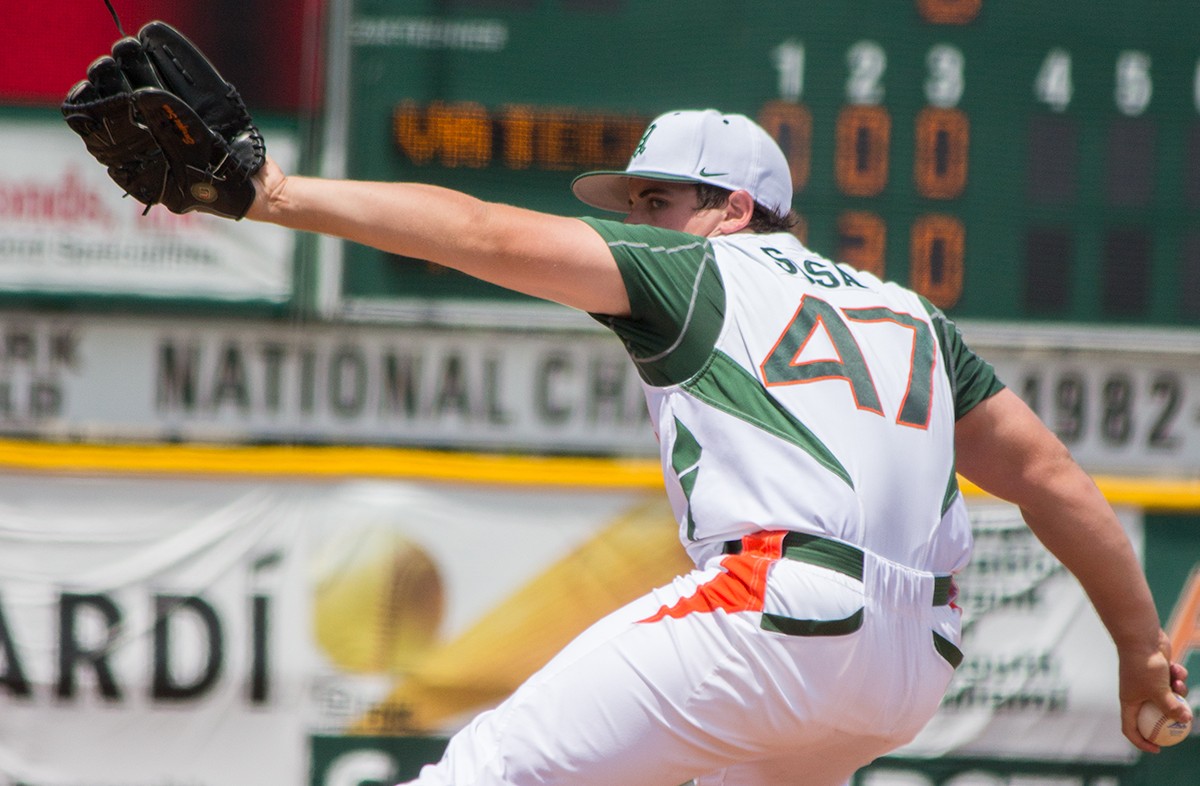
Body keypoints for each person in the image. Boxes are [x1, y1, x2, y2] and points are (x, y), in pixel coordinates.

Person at [245, 109, 1190, 785]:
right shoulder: (911, 314)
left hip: (779, 613)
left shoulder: (698, 267)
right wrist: (1139, 649)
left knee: (487, 771)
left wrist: (273, 192)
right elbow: (1049, 477)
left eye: (657, 199)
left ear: (735, 208)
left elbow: (481, 231)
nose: (636, 222)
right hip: (913, 660)